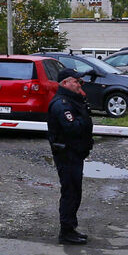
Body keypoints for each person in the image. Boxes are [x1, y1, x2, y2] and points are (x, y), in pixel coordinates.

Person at [47, 68, 93, 245]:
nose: (79, 84)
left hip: (74, 153)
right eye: (76, 81)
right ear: (65, 83)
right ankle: (66, 231)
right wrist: (84, 118)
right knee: (70, 193)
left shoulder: (73, 101)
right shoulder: (62, 104)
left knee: (75, 192)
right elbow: (73, 128)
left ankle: (71, 228)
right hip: (66, 154)